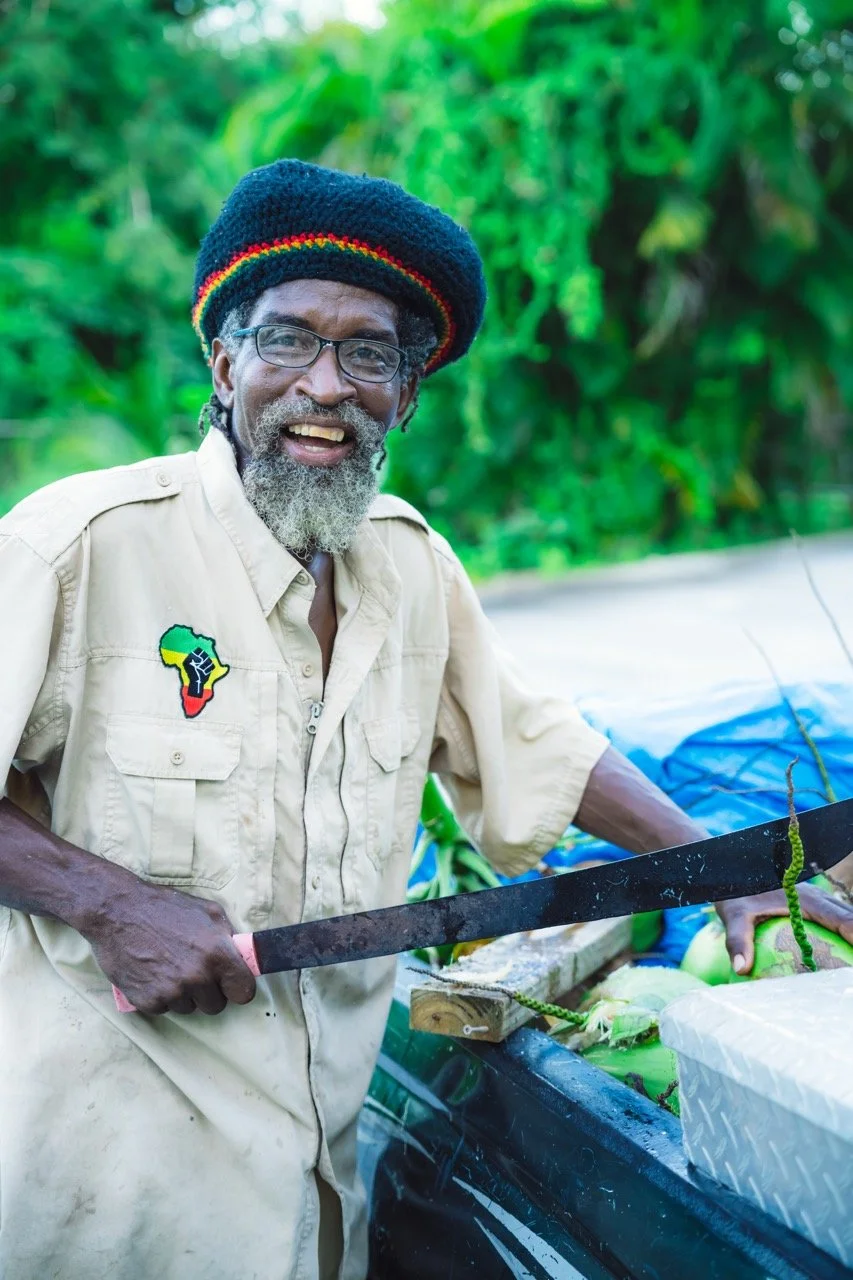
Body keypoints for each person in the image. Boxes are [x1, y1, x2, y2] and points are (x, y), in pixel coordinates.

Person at [1, 159, 850, 1280]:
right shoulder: (82, 545)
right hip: (110, 1204)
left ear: (406, 393)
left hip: (318, 1204)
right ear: (224, 361)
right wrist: (111, 905)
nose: (325, 384)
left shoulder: (408, 565)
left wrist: (726, 867)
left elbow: (532, 742)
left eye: (369, 354)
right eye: (288, 339)